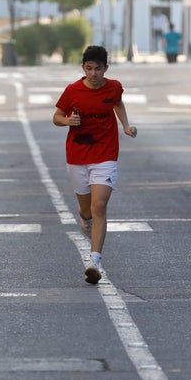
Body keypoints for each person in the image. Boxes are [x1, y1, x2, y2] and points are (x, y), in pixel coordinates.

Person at [53, 45, 137, 284]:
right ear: (83, 68)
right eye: (89, 69)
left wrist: (125, 126)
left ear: (105, 69)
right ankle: (84, 218)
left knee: (99, 206)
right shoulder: (72, 91)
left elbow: (117, 103)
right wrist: (68, 120)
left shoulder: (114, 87)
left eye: (98, 69)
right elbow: (56, 117)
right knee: (87, 210)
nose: (93, 74)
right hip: (78, 156)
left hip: (105, 154)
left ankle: (94, 261)